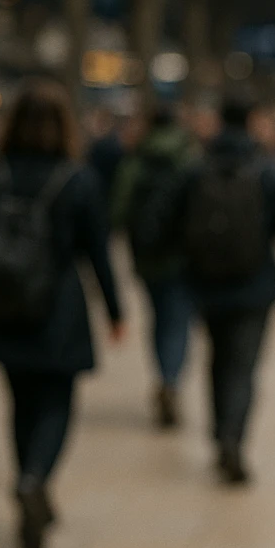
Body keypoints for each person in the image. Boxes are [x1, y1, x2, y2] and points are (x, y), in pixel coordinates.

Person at [0, 79, 124, 548]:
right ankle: (35, 478)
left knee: (21, 401)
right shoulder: (78, 179)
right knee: (57, 403)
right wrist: (115, 310)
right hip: (59, 307)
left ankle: (26, 478)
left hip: (4, 305)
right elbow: (97, 251)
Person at [182, 101, 275, 486]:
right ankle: (233, 439)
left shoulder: (196, 168)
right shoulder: (270, 170)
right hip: (254, 286)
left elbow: (176, 223)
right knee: (243, 366)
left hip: (206, 284)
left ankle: (219, 433)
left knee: (216, 360)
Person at [111, 106, 198, 427]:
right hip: (182, 257)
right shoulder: (189, 158)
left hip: (147, 258)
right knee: (179, 321)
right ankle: (172, 379)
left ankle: (163, 374)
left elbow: (118, 211)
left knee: (159, 317)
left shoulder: (136, 160)